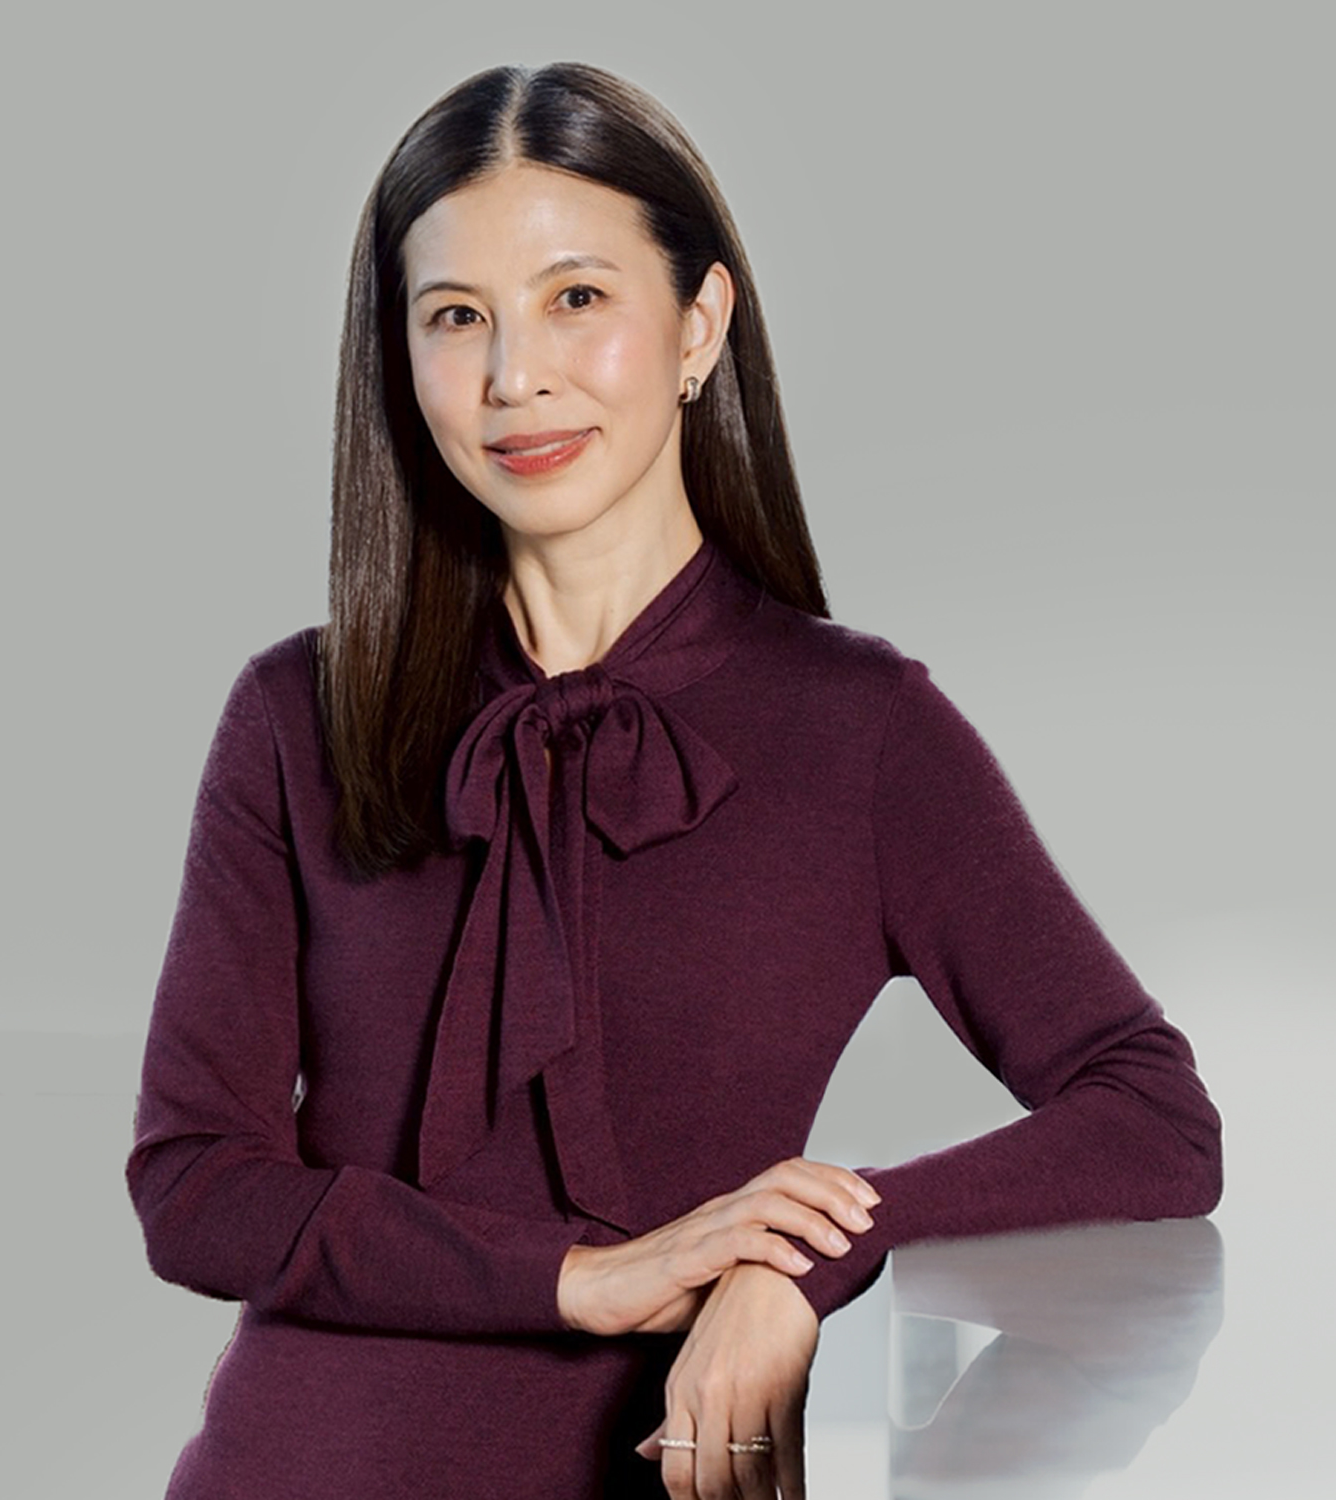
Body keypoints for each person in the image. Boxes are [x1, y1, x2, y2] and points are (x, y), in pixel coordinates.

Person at [125, 61, 1223, 1500]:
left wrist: (808, 1253)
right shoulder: (294, 712)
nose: (514, 374)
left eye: (577, 298)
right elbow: (194, 1187)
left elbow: (1151, 1116)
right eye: (457, 317)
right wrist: (585, 1280)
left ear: (698, 323)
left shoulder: (862, 729)